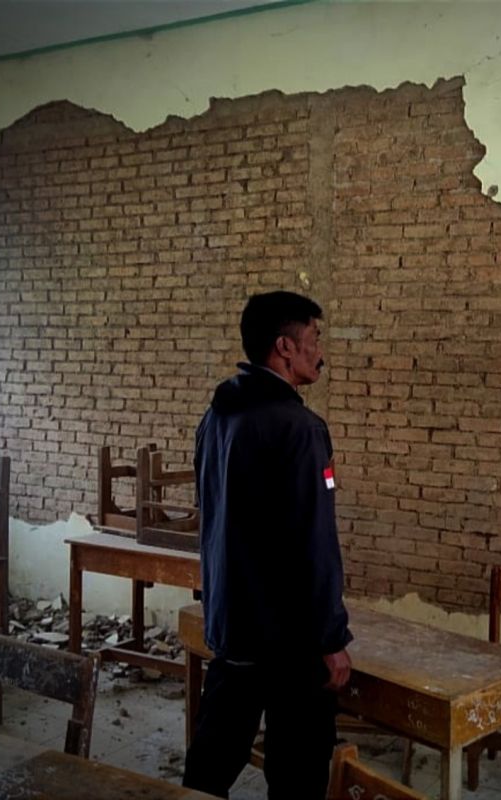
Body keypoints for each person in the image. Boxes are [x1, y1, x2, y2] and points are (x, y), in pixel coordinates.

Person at [183, 291, 353, 800]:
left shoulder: (216, 419)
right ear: (285, 347)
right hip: (290, 644)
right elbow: (315, 542)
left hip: (231, 629)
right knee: (299, 775)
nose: (320, 353)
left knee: (208, 770)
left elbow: (214, 522)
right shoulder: (302, 430)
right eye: (314, 340)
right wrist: (331, 637)